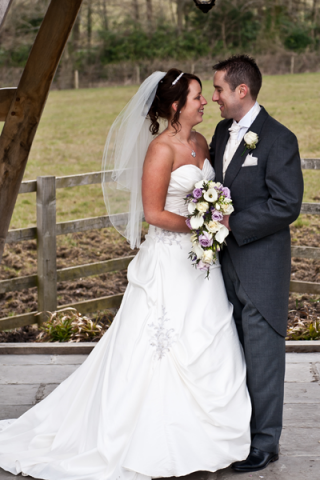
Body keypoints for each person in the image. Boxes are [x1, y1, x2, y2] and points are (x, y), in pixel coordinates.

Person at [0, 69, 251, 479]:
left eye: (205, 97)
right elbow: (153, 213)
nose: (204, 103)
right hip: (170, 261)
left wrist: (214, 216)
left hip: (203, 264)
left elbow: (211, 194)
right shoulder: (160, 149)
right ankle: (151, 441)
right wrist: (200, 225)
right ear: (175, 106)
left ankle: (208, 439)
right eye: (196, 98)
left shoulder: (202, 142)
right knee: (160, 347)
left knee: (208, 336)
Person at [209, 55, 304, 473]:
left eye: (219, 90)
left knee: (264, 356)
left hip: (261, 263)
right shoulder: (219, 131)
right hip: (219, 264)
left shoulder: (279, 138)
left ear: (241, 91)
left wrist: (232, 223)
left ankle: (265, 443)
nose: (214, 97)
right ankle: (235, 432)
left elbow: (286, 204)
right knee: (230, 352)